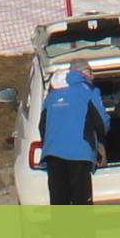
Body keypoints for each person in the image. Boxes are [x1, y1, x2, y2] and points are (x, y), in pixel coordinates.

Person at [36, 59, 102, 205]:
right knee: (81, 202)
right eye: (90, 72)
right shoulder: (88, 91)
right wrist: (98, 142)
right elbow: (102, 123)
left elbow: (42, 126)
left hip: (53, 154)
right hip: (79, 154)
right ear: (83, 73)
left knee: (59, 202)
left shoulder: (51, 95)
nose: (93, 76)